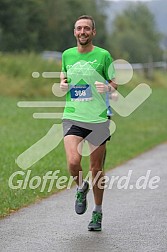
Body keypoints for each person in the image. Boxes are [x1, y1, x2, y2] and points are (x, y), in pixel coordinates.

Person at [60, 15, 117, 231]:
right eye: (78, 28)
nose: (82, 32)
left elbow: (114, 83)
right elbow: (63, 79)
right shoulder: (67, 55)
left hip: (98, 119)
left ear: (93, 32)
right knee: (74, 162)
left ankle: (97, 213)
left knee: (96, 169)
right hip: (73, 115)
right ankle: (81, 187)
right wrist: (62, 86)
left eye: (86, 29)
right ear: (74, 32)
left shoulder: (103, 55)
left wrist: (108, 88)